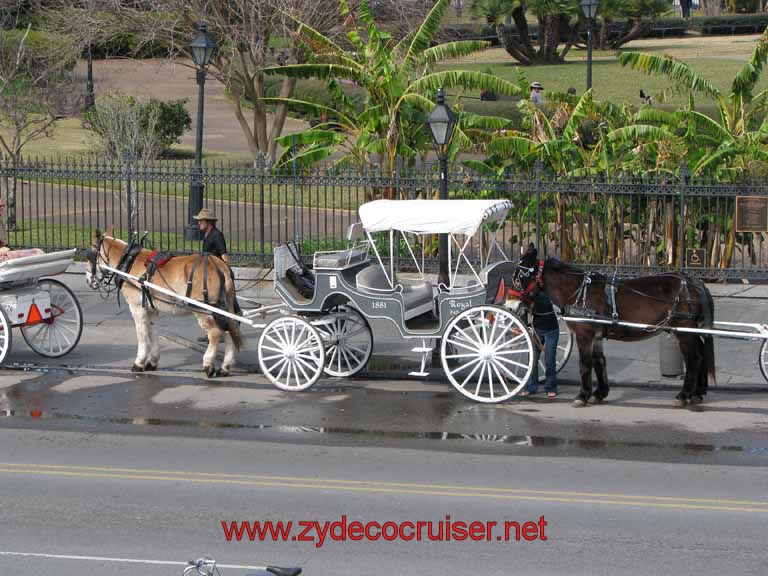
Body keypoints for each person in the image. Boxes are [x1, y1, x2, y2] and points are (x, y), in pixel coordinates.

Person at [518, 245, 559, 398]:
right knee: (533, 359)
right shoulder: (532, 286)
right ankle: (533, 386)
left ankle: (548, 386)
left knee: (549, 360)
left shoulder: (544, 289)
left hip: (550, 329)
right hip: (539, 328)